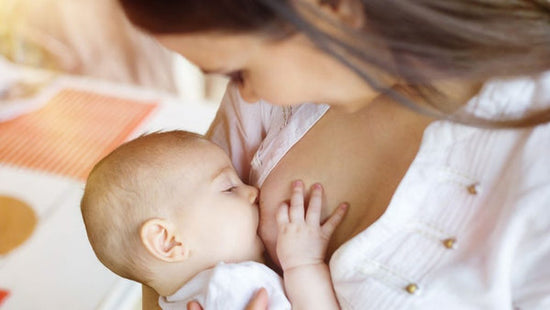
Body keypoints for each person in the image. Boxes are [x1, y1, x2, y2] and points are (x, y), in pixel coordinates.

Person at [115, 0, 550, 309]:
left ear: (329, 7)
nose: (242, 93)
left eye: (239, 70)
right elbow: (156, 250)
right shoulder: (271, 97)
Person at [80, 130, 348, 310]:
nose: (252, 192)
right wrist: (303, 263)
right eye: (229, 189)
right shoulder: (230, 287)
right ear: (169, 241)